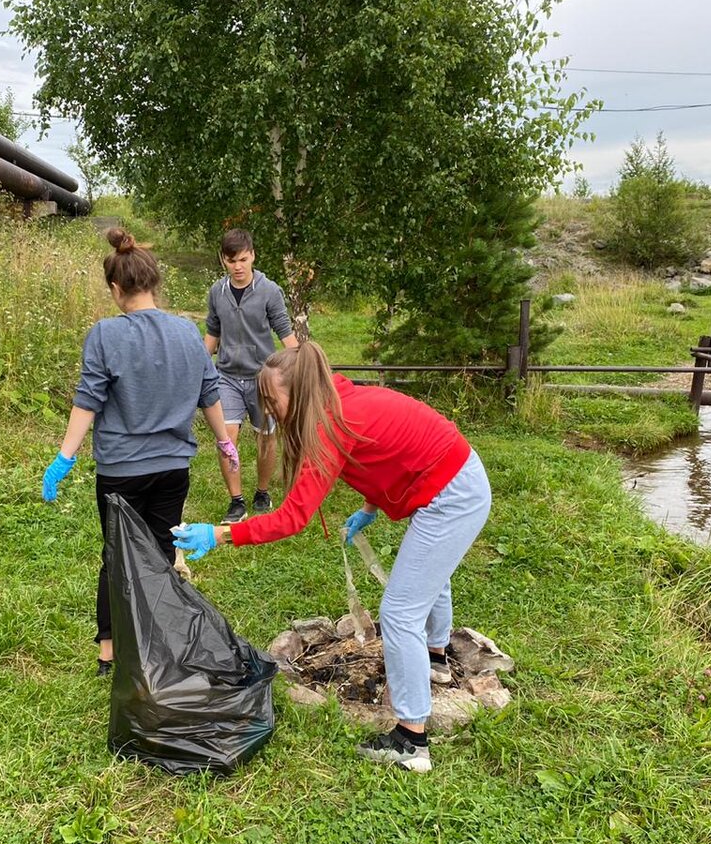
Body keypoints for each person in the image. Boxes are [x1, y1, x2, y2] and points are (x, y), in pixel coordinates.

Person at [171, 342, 492, 773]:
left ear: (298, 391)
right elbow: (384, 455)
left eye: (271, 399)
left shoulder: (329, 425)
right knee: (428, 576)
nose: (267, 408)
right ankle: (434, 659)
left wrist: (222, 533)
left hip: (453, 495)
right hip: (454, 478)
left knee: (399, 612)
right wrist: (369, 508)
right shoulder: (338, 399)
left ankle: (411, 741)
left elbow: (291, 518)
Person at [42, 228, 239, 676]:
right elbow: (210, 393)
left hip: (120, 472)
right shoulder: (188, 334)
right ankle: (159, 643)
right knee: (162, 554)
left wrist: (65, 457)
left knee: (118, 557)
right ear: (154, 283)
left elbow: (88, 399)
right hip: (174, 468)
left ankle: (109, 655)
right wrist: (224, 441)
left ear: (116, 288)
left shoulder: (105, 335)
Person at [204, 228, 299, 524]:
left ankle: (261, 491)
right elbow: (211, 335)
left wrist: (302, 369)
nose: (238, 266)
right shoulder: (216, 292)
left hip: (263, 378)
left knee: (266, 439)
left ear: (253, 256)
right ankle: (236, 501)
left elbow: (285, 333)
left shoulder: (269, 290)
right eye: (232, 261)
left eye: (243, 259)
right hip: (228, 377)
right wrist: (195, 365)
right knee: (226, 440)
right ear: (223, 260)